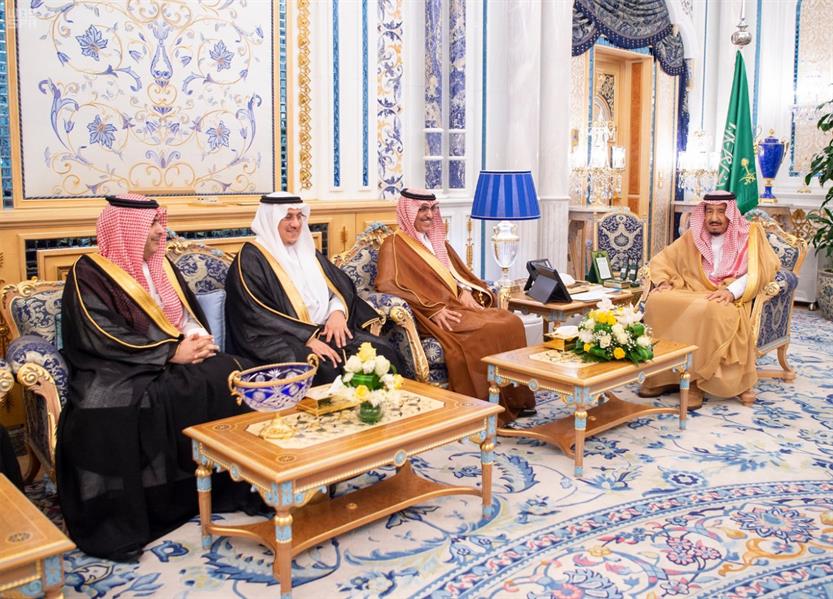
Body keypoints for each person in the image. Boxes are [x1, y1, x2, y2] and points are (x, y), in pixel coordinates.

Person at [58, 194, 255, 561]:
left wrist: (194, 339)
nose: (160, 231)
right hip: (115, 365)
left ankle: (228, 486)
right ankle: (133, 513)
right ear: (126, 230)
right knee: (114, 407)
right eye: (151, 225)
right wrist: (169, 352)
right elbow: (100, 333)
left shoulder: (161, 265)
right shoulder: (89, 272)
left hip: (170, 357)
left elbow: (183, 316)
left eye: (159, 223)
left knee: (232, 373)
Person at [375, 188, 535, 424]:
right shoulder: (394, 244)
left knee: (511, 321)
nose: (429, 215)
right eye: (422, 209)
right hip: (430, 314)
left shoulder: (437, 241)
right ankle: (480, 406)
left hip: (455, 307)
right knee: (486, 330)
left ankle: (514, 399)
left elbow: (456, 274)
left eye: (433, 209)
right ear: (408, 211)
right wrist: (433, 309)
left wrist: (465, 291)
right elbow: (386, 285)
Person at [224, 192, 405, 384]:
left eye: (299, 216)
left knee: (383, 352)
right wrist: (307, 338)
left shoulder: (306, 250)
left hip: (326, 330)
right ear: (270, 219)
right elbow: (255, 315)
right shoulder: (251, 259)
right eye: (287, 217)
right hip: (278, 337)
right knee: (320, 364)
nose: (296, 224)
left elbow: (340, 287)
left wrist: (337, 313)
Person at [640, 190, 780, 407]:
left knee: (708, 309)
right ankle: (661, 376)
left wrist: (731, 291)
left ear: (731, 213)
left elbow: (762, 269)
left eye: (721, 212)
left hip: (728, 297)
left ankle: (695, 382)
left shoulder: (750, 235)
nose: (714, 218)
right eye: (709, 212)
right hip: (692, 290)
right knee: (658, 301)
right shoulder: (693, 236)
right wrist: (664, 281)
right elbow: (663, 259)